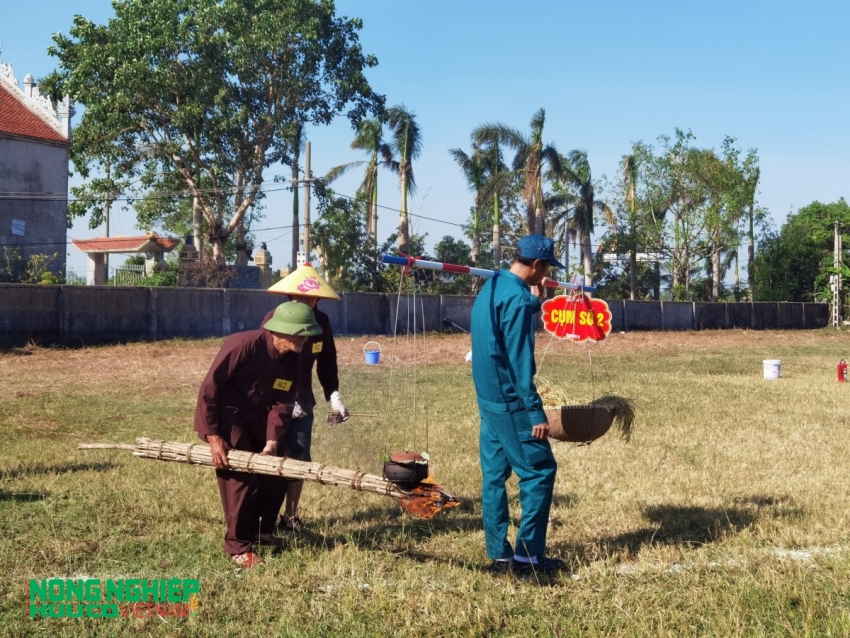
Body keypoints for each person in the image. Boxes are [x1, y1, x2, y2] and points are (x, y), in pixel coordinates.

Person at [194, 301, 322, 568]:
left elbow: (283, 401)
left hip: (259, 418)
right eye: (301, 334)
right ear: (281, 331)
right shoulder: (243, 344)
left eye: (308, 334)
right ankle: (238, 546)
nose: (306, 339)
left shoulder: (293, 358)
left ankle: (262, 532)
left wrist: (272, 440)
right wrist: (214, 436)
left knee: (279, 468)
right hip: (228, 416)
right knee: (238, 475)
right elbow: (209, 389)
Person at [470, 234, 566, 575]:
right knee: (539, 470)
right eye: (546, 269)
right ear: (537, 265)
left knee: (495, 476)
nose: (545, 277)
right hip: (512, 403)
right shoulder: (518, 300)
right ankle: (528, 557)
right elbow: (520, 360)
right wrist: (534, 410)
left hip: (488, 400)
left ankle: (498, 553)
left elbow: (498, 336)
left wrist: (533, 304)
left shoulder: (491, 287)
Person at [263, 263, 349, 532]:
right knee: (270, 456)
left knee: (300, 458)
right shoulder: (273, 318)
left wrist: (333, 394)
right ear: (291, 296)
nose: (310, 302)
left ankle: (290, 516)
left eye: (314, 297)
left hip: (303, 400)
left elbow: (327, 360)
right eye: (305, 296)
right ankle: (262, 516)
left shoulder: (321, 322)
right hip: (272, 401)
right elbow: (264, 363)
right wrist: (280, 400)